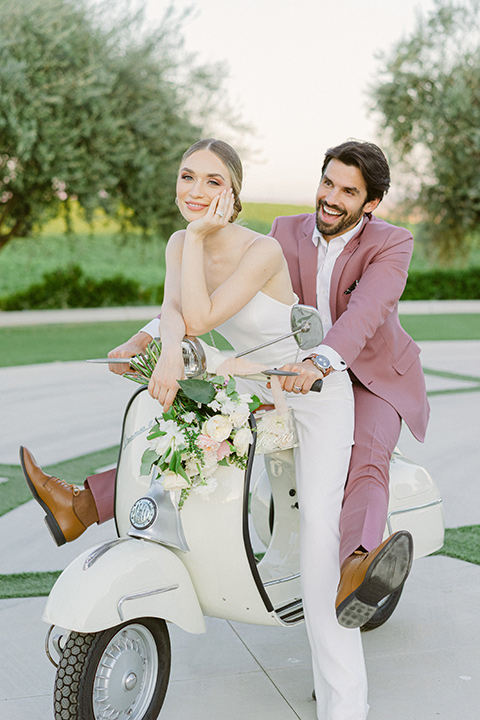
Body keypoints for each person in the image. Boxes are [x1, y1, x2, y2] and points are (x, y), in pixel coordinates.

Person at [21, 138, 374, 719]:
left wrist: (197, 245)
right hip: (249, 381)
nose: (196, 191)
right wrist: (153, 345)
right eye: (187, 176)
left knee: (316, 527)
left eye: (213, 181)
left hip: (306, 389)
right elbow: (173, 308)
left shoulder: (260, 251)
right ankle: (92, 507)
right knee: (177, 441)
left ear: (233, 193)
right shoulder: (179, 241)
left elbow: (202, 316)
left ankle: (345, 704)